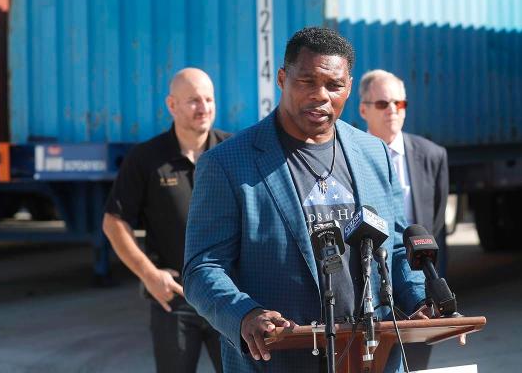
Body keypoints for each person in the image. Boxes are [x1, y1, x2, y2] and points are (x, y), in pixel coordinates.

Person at [183, 27, 429, 373]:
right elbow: (202, 269)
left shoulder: (373, 154)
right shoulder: (226, 163)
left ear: (348, 86)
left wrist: (421, 301)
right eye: (307, 81)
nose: (321, 95)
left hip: (370, 357)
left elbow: (397, 251)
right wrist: (245, 314)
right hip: (278, 360)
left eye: (334, 85)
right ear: (283, 79)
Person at [103, 68, 230, 373]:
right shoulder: (146, 158)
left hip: (229, 296)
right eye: (194, 101)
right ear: (171, 105)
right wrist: (148, 274)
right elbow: (114, 222)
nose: (204, 108)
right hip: (174, 298)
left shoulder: (231, 152)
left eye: (209, 99)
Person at [359, 69, 449, 372]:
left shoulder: (432, 155)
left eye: (400, 103)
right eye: (383, 104)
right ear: (363, 109)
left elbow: (433, 225)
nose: (393, 111)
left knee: (418, 365)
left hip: (418, 286)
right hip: (368, 289)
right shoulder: (347, 157)